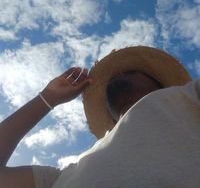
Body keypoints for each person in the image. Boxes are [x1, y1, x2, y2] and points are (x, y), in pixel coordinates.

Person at [0, 45, 200, 188]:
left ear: (159, 84)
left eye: (130, 71)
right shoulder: (67, 174)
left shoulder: (189, 97)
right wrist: (48, 97)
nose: (118, 73)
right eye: (115, 75)